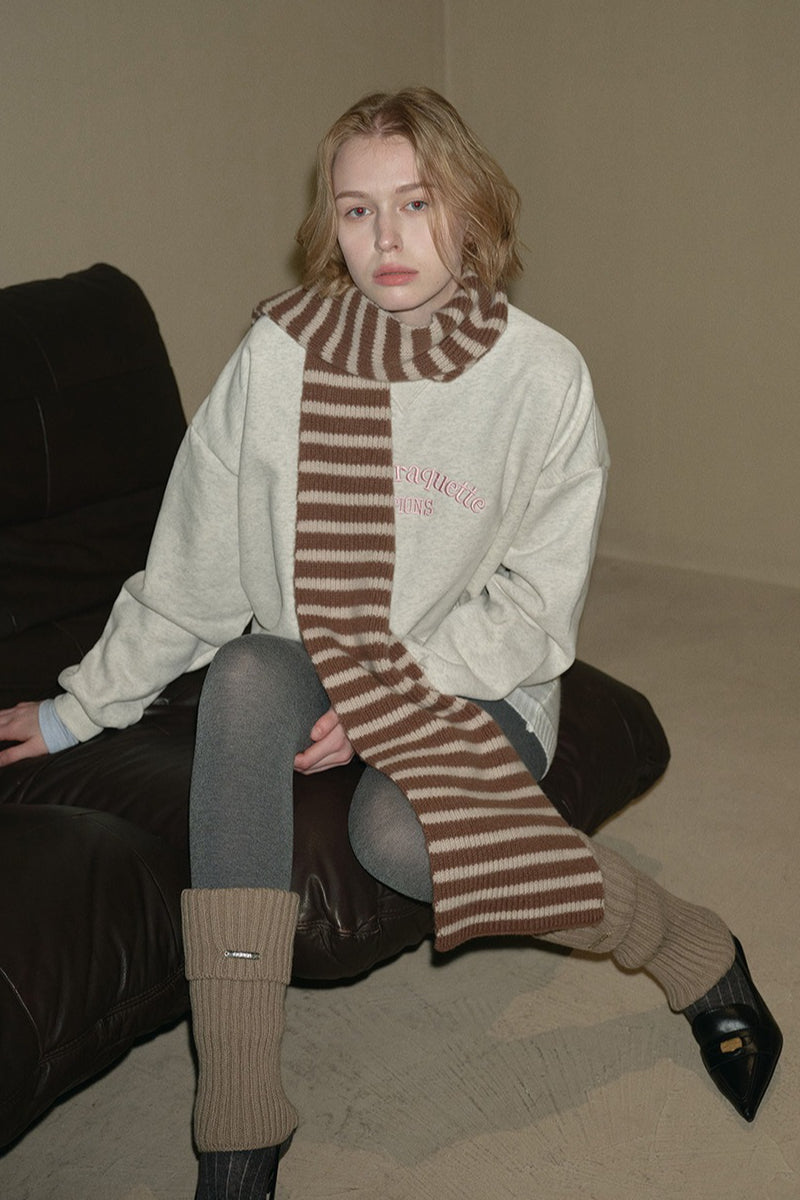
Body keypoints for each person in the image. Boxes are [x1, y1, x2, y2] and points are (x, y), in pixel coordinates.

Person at [0, 88, 782, 1199]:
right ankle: (238, 1116)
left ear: (471, 209)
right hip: (310, 648)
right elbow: (192, 569)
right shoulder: (277, 358)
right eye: (357, 209)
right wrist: (79, 708)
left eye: (416, 203)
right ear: (330, 222)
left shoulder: (541, 379)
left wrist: (380, 703)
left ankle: (689, 947)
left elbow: (533, 611)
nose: (386, 239)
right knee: (244, 674)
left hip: (480, 669)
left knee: (400, 840)